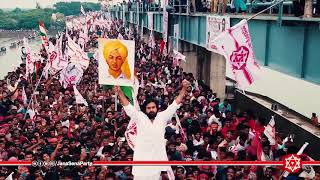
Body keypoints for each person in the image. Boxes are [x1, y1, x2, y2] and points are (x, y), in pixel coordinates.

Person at [113, 79, 191, 180]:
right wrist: (119, 92)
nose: (151, 110)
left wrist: (184, 89)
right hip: (141, 161)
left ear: (157, 108)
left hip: (157, 161)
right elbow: (128, 106)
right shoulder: (140, 116)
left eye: (153, 107)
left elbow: (175, 104)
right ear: (145, 109)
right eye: (148, 108)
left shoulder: (162, 116)